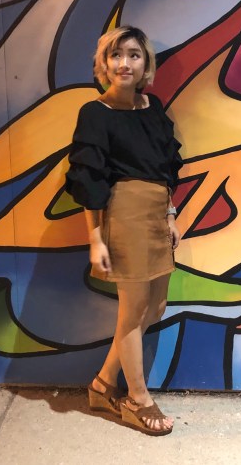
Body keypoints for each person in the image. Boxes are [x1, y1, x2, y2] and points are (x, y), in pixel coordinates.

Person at [65, 26, 182, 436]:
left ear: (145, 62)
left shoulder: (153, 107)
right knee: (133, 311)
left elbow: (165, 165)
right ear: (103, 63)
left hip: (156, 212)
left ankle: (102, 384)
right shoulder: (94, 113)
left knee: (156, 307)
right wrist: (95, 237)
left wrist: (170, 214)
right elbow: (89, 178)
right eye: (115, 55)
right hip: (124, 213)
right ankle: (138, 399)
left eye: (133, 54)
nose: (124, 63)